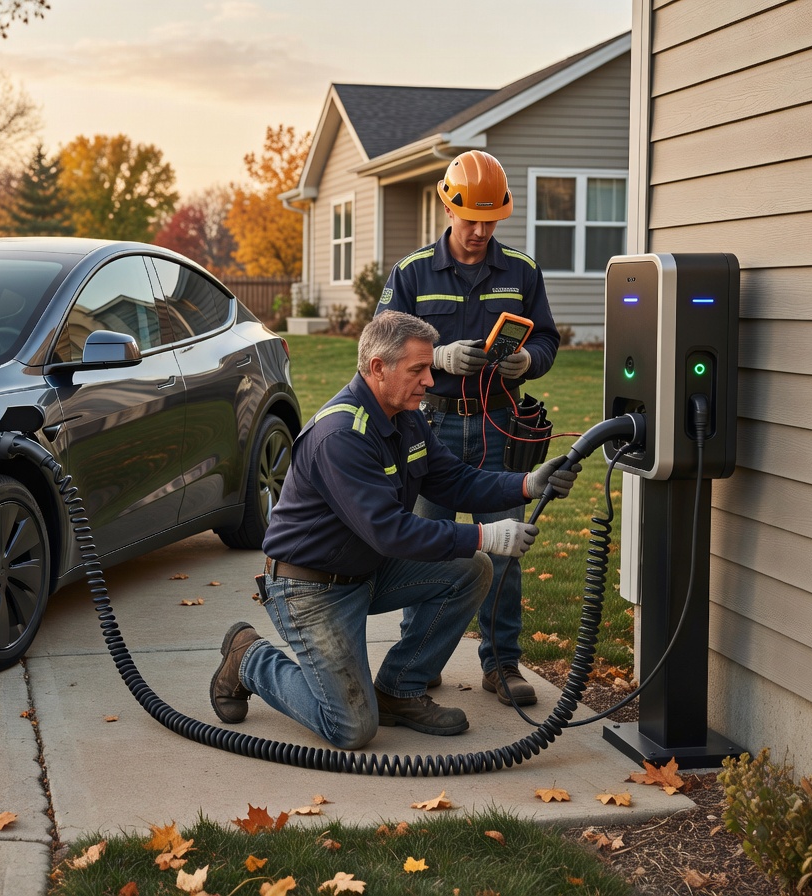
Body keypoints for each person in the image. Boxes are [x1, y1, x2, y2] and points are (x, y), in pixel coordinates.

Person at [208, 311, 579, 750]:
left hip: (366, 568)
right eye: (418, 369)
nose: (430, 379)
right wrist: (487, 535)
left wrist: (525, 483)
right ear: (378, 368)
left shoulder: (407, 417)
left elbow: (454, 480)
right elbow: (392, 532)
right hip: (309, 588)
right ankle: (248, 657)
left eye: (430, 367)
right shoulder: (341, 435)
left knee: (470, 570)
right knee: (351, 729)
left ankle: (399, 690)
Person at [376, 150, 560, 707]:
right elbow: (378, 350)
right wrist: (437, 360)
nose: (480, 231)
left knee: (504, 547)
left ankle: (502, 665)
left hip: (500, 428)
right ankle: (420, 658)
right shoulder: (411, 273)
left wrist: (528, 361)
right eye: (470, 218)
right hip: (429, 426)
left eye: (491, 220)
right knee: (427, 546)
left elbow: (548, 339)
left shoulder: (522, 271)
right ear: (447, 206)